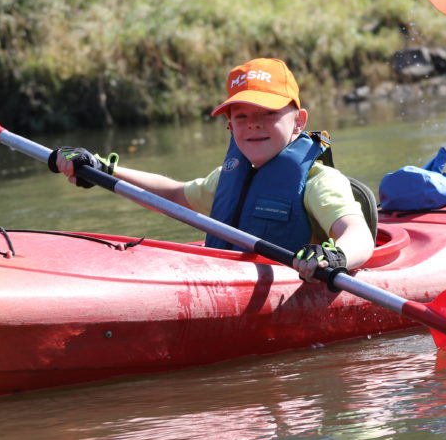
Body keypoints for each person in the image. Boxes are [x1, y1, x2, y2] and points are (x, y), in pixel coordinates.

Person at [51, 57, 375, 283]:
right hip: (229, 279)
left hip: (290, 281)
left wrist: (334, 258)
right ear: (230, 125)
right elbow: (173, 193)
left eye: (268, 113)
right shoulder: (228, 177)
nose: (254, 125)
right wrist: (104, 170)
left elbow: (357, 235)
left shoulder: (320, 181)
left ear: (299, 121)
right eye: (242, 117)